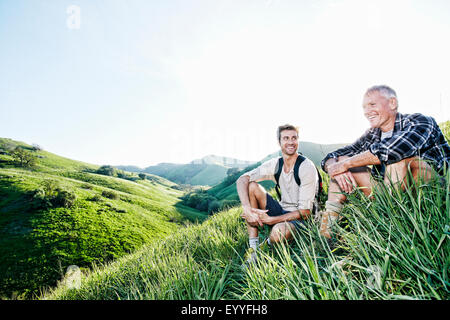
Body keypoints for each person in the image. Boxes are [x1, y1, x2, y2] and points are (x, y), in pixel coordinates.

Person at [319, 85, 450, 239]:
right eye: (364, 107)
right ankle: (327, 233)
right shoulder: (372, 134)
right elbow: (334, 155)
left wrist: (344, 165)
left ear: (392, 103)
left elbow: (393, 150)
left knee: (399, 160)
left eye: (372, 105)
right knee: (341, 160)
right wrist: (335, 167)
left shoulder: (420, 121)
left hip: (432, 193)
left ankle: (394, 226)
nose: (367, 112)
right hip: (390, 195)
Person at [236, 124, 319, 265]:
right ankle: (253, 249)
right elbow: (242, 179)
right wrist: (246, 209)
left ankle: (267, 243)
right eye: (286, 138)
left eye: (294, 138)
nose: (291, 142)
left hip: (303, 219)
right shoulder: (276, 164)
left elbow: (305, 212)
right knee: (251, 186)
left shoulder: (306, 167)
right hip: (282, 209)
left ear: (298, 140)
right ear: (279, 142)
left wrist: (271, 220)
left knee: (278, 232)